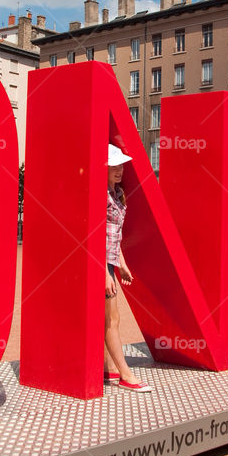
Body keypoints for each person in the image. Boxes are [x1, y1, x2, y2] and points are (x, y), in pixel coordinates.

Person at [103, 144, 152, 393]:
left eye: (121, 165)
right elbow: (96, 234)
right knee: (111, 319)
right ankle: (125, 375)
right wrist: (103, 269)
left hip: (110, 262)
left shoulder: (118, 194)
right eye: (114, 165)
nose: (119, 170)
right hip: (100, 264)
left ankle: (107, 367)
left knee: (108, 318)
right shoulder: (102, 195)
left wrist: (121, 263)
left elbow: (115, 235)